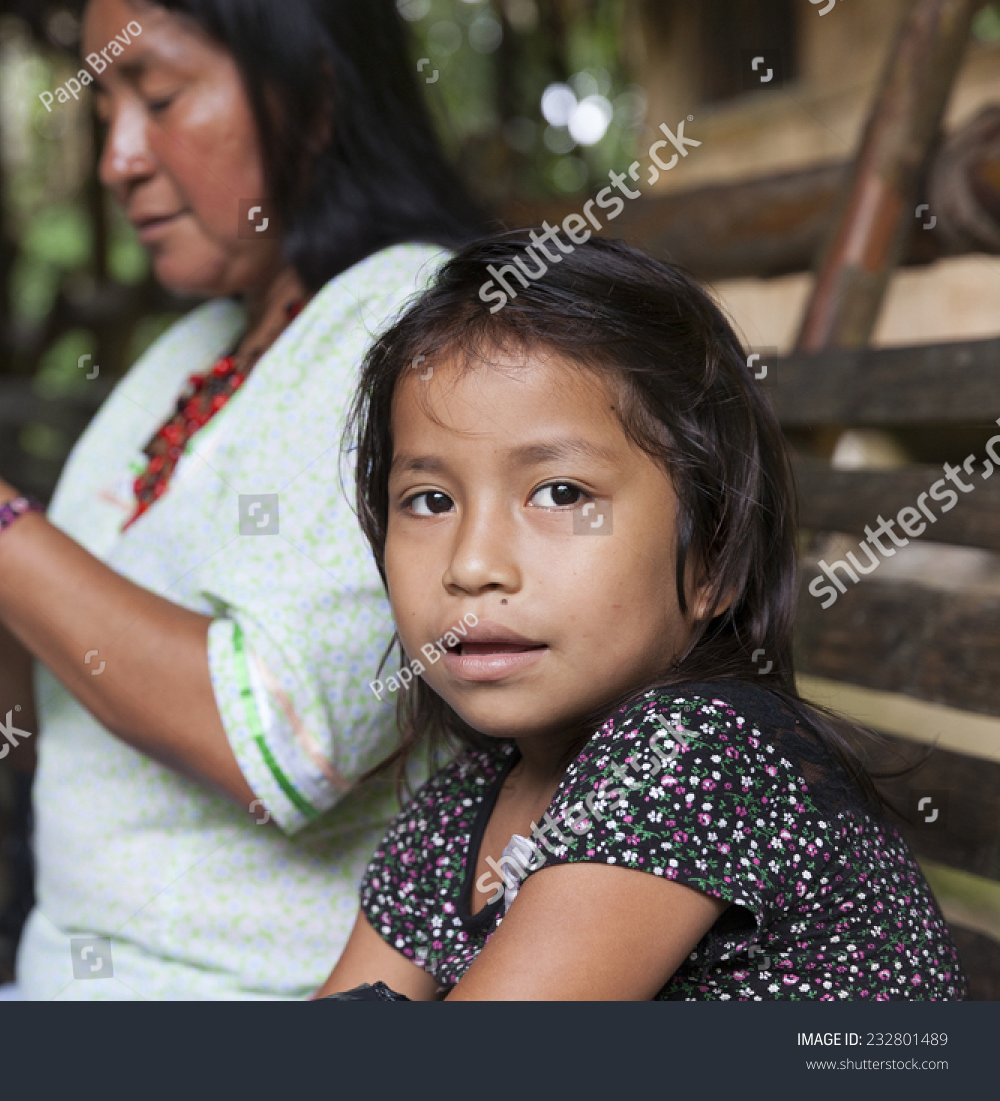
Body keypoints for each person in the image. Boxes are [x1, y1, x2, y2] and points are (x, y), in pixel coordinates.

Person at [0, 0, 484, 998]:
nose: (119, 159)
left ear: (315, 95)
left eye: (160, 93)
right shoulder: (193, 349)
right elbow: (28, 702)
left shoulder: (412, 321)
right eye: (107, 108)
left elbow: (279, 742)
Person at [317, 234, 967, 1001]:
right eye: (430, 500)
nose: (470, 564)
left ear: (714, 559)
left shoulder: (700, 754)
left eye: (561, 493)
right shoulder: (465, 806)